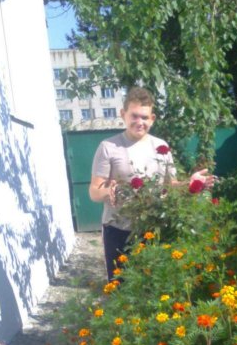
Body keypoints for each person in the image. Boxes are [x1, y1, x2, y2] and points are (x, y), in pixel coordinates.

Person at [89, 86, 215, 279]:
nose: (140, 122)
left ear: (152, 119)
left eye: (145, 117)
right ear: (123, 114)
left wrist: (191, 184)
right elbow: (94, 191)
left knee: (153, 283)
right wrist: (108, 191)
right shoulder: (108, 147)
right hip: (118, 229)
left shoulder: (161, 146)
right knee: (120, 286)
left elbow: (169, 186)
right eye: (134, 116)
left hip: (154, 228)